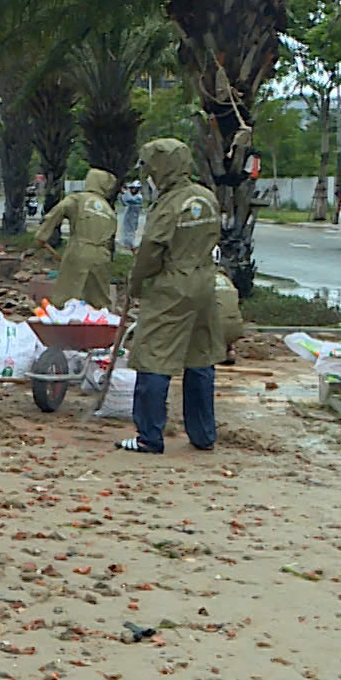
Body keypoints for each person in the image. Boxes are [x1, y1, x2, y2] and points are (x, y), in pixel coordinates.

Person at [120, 138, 221, 454]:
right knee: (200, 357)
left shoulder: (168, 205)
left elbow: (151, 251)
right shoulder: (206, 198)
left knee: (153, 356)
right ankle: (203, 435)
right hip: (206, 282)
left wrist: (135, 284)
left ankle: (149, 436)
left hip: (174, 285)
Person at [34, 167, 118, 309]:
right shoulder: (109, 210)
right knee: (99, 300)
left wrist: (42, 235)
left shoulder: (78, 199)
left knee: (66, 295)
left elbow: (58, 211)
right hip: (102, 256)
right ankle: (100, 325)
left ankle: (63, 324)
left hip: (80, 250)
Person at [120, 181, 144, 251]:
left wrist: (125, 191)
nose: (132, 189)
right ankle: (126, 244)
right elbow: (124, 202)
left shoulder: (139, 197)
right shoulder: (131, 195)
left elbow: (130, 199)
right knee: (125, 230)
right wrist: (122, 193)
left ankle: (131, 246)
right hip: (127, 216)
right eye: (131, 188)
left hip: (133, 217)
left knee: (131, 231)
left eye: (134, 188)